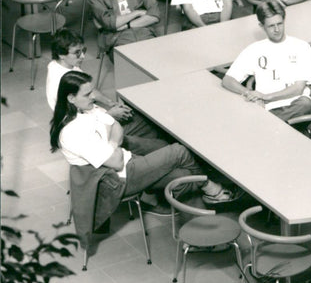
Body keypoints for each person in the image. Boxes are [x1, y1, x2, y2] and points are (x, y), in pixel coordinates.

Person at [50, 71, 235, 216]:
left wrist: (113, 144)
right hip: (117, 179)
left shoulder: (85, 110)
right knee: (179, 151)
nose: (93, 97)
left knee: (183, 175)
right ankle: (211, 188)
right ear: (71, 98)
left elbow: (115, 127)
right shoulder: (73, 131)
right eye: (87, 94)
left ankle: (198, 226)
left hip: (123, 162)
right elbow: (116, 161)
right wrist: (115, 146)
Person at [45, 28, 162, 141]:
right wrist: (110, 114)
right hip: (92, 131)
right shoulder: (60, 82)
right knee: (149, 123)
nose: (83, 56)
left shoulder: (64, 65)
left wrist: (111, 103)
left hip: (98, 116)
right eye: (77, 53)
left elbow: (91, 91)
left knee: (138, 115)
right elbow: (75, 122)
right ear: (61, 54)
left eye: (83, 51)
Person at [222, 2, 311, 122]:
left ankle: (266, 124)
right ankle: (267, 124)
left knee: (305, 104)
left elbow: (298, 88)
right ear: (262, 26)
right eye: (271, 26)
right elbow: (228, 80)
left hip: (294, 105)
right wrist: (248, 93)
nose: (277, 30)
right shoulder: (254, 49)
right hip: (264, 107)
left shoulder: (301, 47)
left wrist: (266, 97)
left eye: (280, 24)